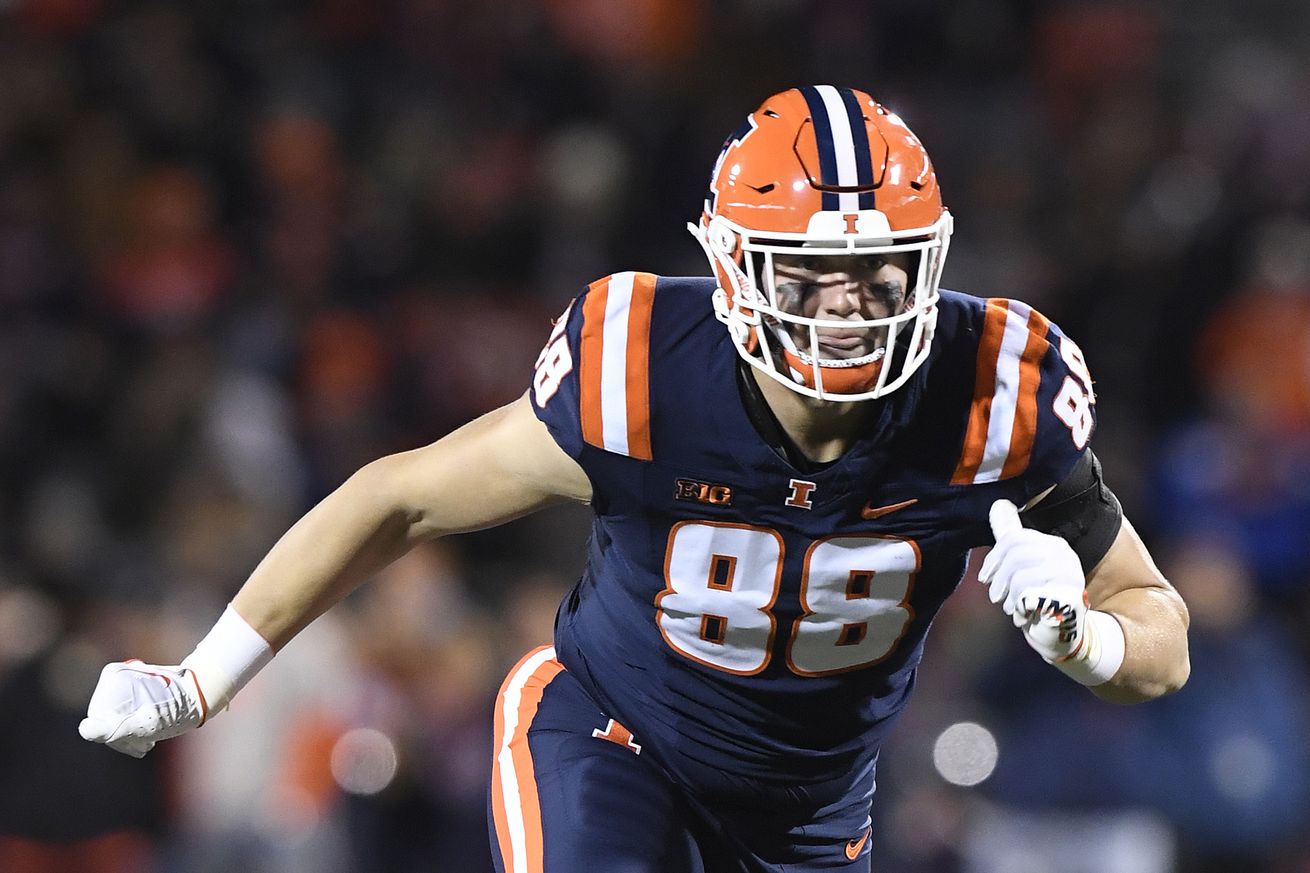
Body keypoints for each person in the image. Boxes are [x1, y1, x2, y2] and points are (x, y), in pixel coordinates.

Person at [79, 86, 1191, 872]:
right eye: (811, 277)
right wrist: (201, 680)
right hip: (613, 733)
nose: (849, 304)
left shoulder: (995, 394)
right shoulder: (645, 371)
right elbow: (401, 495)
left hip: (812, 812)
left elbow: (1159, 635)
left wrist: (1078, 640)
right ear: (735, 272)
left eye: (877, 272)